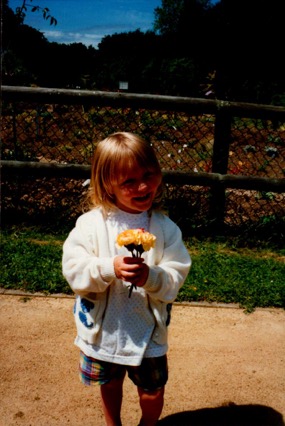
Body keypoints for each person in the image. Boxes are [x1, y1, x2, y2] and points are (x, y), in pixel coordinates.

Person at [62, 132, 191, 426]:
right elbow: (74, 270)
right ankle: (113, 423)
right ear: (108, 185)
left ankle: (148, 424)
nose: (143, 186)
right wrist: (109, 268)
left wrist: (152, 276)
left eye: (148, 174)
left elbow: (176, 274)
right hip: (105, 328)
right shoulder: (91, 225)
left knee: (152, 389)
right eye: (129, 181)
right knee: (109, 382)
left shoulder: (165, 229)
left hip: (147, 331)